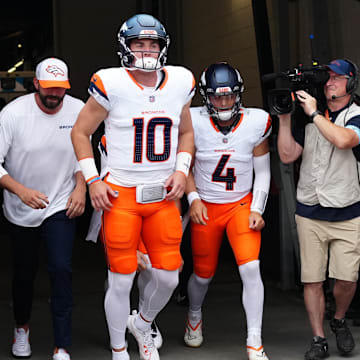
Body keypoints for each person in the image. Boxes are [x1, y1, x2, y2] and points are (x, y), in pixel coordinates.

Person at [71, 13, 195, 360]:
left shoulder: (180, 81)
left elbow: (186, 133)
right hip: (120, 194)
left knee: (169, 276)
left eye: (152, 44)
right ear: (125, 47)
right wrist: (93, 179)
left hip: (163, 195)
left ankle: (143, 321)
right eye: (139, 43)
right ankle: (118, 348)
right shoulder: (112, 83)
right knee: (121, 278)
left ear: (163, 47)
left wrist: (182, 171)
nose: (146, 50)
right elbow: (80, 132)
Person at [184, 63, 271, 360]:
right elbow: (184, 164)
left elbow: (263, 170)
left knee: (250, 267)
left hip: (240, 204)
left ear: (239, 95)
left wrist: (258, 207)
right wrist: (193, 198)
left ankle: (254, 340)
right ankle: (194, 314)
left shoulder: (256, 121)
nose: (224, 103)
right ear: (206, 97)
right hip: (206, 206)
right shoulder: (193, 121)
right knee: (202, 275)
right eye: (217, 97)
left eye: (229, 96)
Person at [0, 57, 86, 360]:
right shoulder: (12, 114)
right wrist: (20, 191)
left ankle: (62, 344)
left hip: (60, 202)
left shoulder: (78, 109)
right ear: (36, 84)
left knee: (61, 269)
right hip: (21, 206)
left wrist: (81, 185)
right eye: (48, 88)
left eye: (60, 89)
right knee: (24, 274)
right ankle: (21, 327)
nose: (54, 95)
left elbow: (83, 152)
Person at [277, 59, 360, 360]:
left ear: (351, 83)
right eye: (327, 78)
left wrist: (313, 113)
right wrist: (286, 118)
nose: (329, 83)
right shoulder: (305, 117)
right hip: (310, 210)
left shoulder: (356, 115)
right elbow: (287, 155)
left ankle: (337, 319)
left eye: (337, 78)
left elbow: (343, 140)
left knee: (346, 280)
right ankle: (318, 337)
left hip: (347, 212)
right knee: (312, 279)